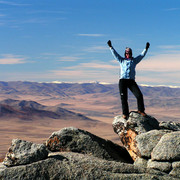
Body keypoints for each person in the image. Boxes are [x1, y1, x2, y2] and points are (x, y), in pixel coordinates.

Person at [107, 40, 150, 119]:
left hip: (131, 81)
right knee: (124, 98)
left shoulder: (134, 61)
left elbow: (141, 55)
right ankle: (125, 114)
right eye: (127, 53)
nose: (128, 54)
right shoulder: (121, 60)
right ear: (125, 53)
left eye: (129, 53)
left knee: (139, 95)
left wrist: (146, 49)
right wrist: (111, 47)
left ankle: (141, 110)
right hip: (123, 81)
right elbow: (115, 55)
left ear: (131, 53)